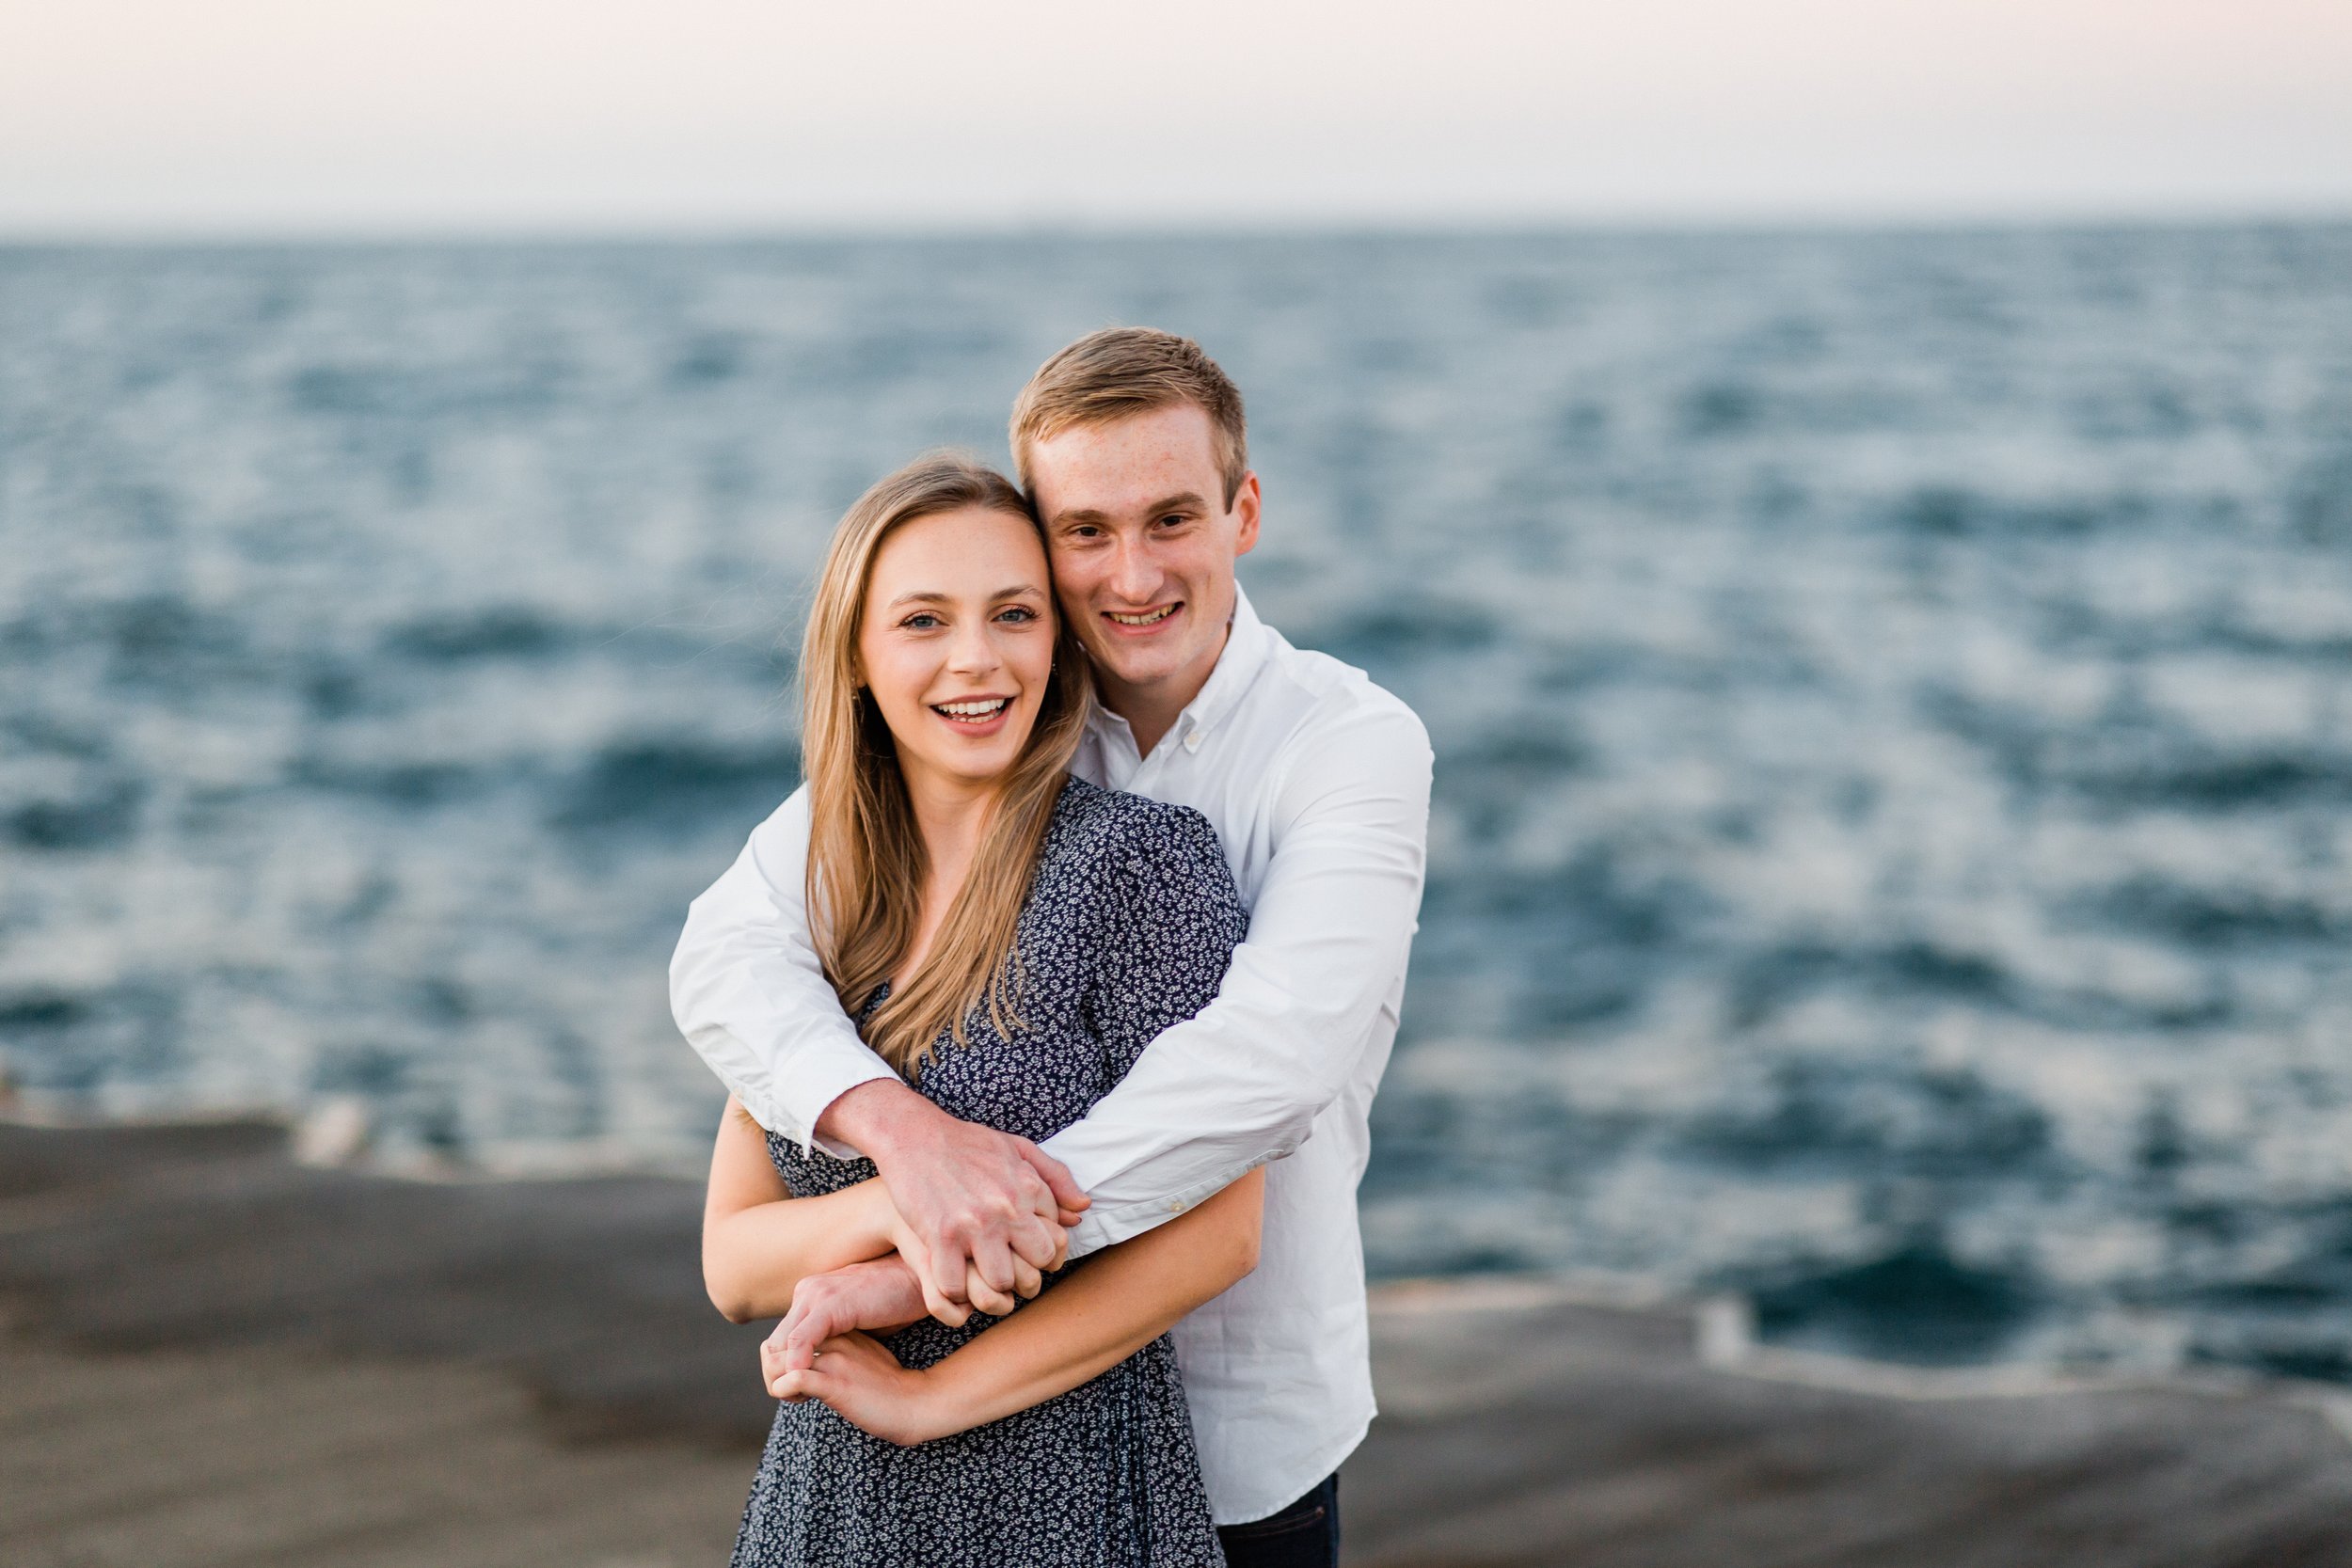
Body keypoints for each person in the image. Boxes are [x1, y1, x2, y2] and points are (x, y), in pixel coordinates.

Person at [673, 329, 1434, 1566]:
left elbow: (1268, 1068)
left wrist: (940, 1253)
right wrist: (908, 1145)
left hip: (1226, 1433)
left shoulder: (1345, 748)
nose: (1130, 573)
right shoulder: (981, 726)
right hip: (880, 1476)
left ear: (1244, 510)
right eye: (1085, 530)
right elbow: (726, 949)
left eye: (1172, 518)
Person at [703, 451, 1263, 1566]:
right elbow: (734, 1262)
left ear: (1056, 643)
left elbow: (1219, 1232)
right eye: (922, 619)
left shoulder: (1140, 866)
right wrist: (913, 1192)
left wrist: (934, 1394)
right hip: (830, 1496)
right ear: (857, 657)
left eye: (1013, 612)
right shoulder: (816, 895)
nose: (976, 658)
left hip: (1062, 1485)